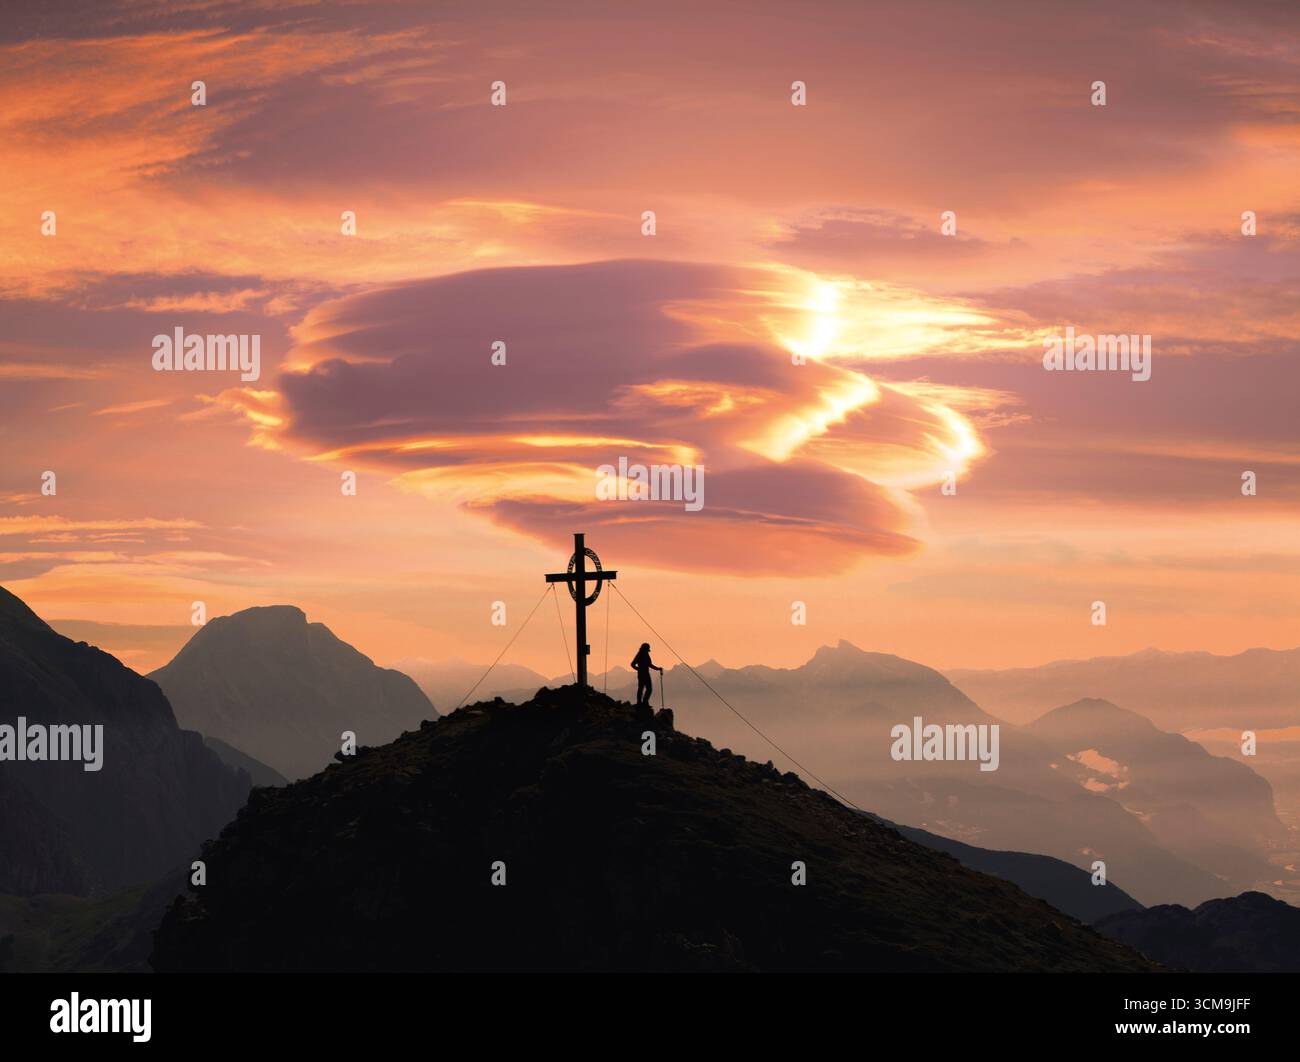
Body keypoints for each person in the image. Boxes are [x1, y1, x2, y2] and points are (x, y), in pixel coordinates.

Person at [630, 642, 663, 707]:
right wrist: (639, 669)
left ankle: (641, 702)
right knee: (647, 688)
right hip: (644, 673)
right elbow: (633, 664)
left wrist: (638, 669)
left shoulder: (642, 654)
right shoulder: (641, 655)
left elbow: (633, 664)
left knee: (642, 688)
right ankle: (643, 702)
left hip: (642, 673)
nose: (648, 650)